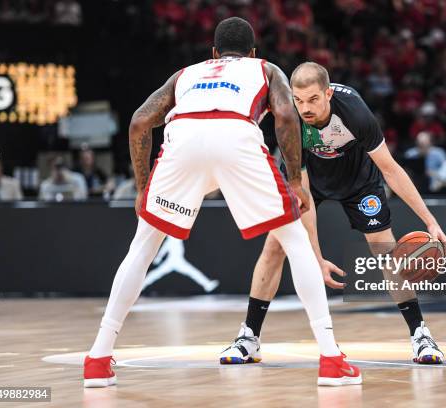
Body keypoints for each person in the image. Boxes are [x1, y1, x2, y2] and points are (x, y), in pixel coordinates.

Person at [83, 17, 361, 388]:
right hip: (236, 136)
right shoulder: (264, 68)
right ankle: (330, 359)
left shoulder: (186, 74)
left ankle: (99, 358)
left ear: (213, 53)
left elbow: (138, 122)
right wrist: (295, 180)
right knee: (294, 241)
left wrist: (142, 186)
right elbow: (285, 114)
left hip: (182, 138)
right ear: (252, 52)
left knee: (143, 246)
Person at [220, 62, 446, 367]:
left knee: (385, 249)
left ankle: (420, 333)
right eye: (299, 100)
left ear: (328, 93)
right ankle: (249, 337)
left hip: (359, 180)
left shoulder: (354, 112)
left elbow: (391, 169)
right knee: (275, 245)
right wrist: (316, 256)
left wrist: (430, 220)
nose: (305, 108)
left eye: (313, 99)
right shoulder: (289, 120)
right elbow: (303, 196)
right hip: (310, 180)